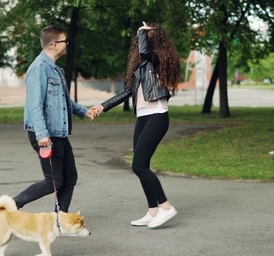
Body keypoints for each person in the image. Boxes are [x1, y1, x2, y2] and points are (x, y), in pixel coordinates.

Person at [91, 21, 181, 228]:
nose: (144, 37)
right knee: (142, 166)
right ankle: (152, 211)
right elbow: (126, 91)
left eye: (149, 33)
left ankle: (166, 207)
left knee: (138, 165)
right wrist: (103, 106)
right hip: (142, 118)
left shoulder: (159, 59)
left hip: (157, 116)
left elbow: (145, 50)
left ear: (155, 37)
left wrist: (142, 32)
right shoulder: (140, 65)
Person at [13, 25, 96, 213]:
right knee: (53, 182)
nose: (67, 44)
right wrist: (42, 135)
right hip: (45, 135)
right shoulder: (39, 68)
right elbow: (35, 104)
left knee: (70, 177)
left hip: (58, 133)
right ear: (54, 44)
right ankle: (12, 204)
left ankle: (61, 219)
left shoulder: (55, 69)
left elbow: (63, 100)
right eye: (65, 41)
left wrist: (83, 111)